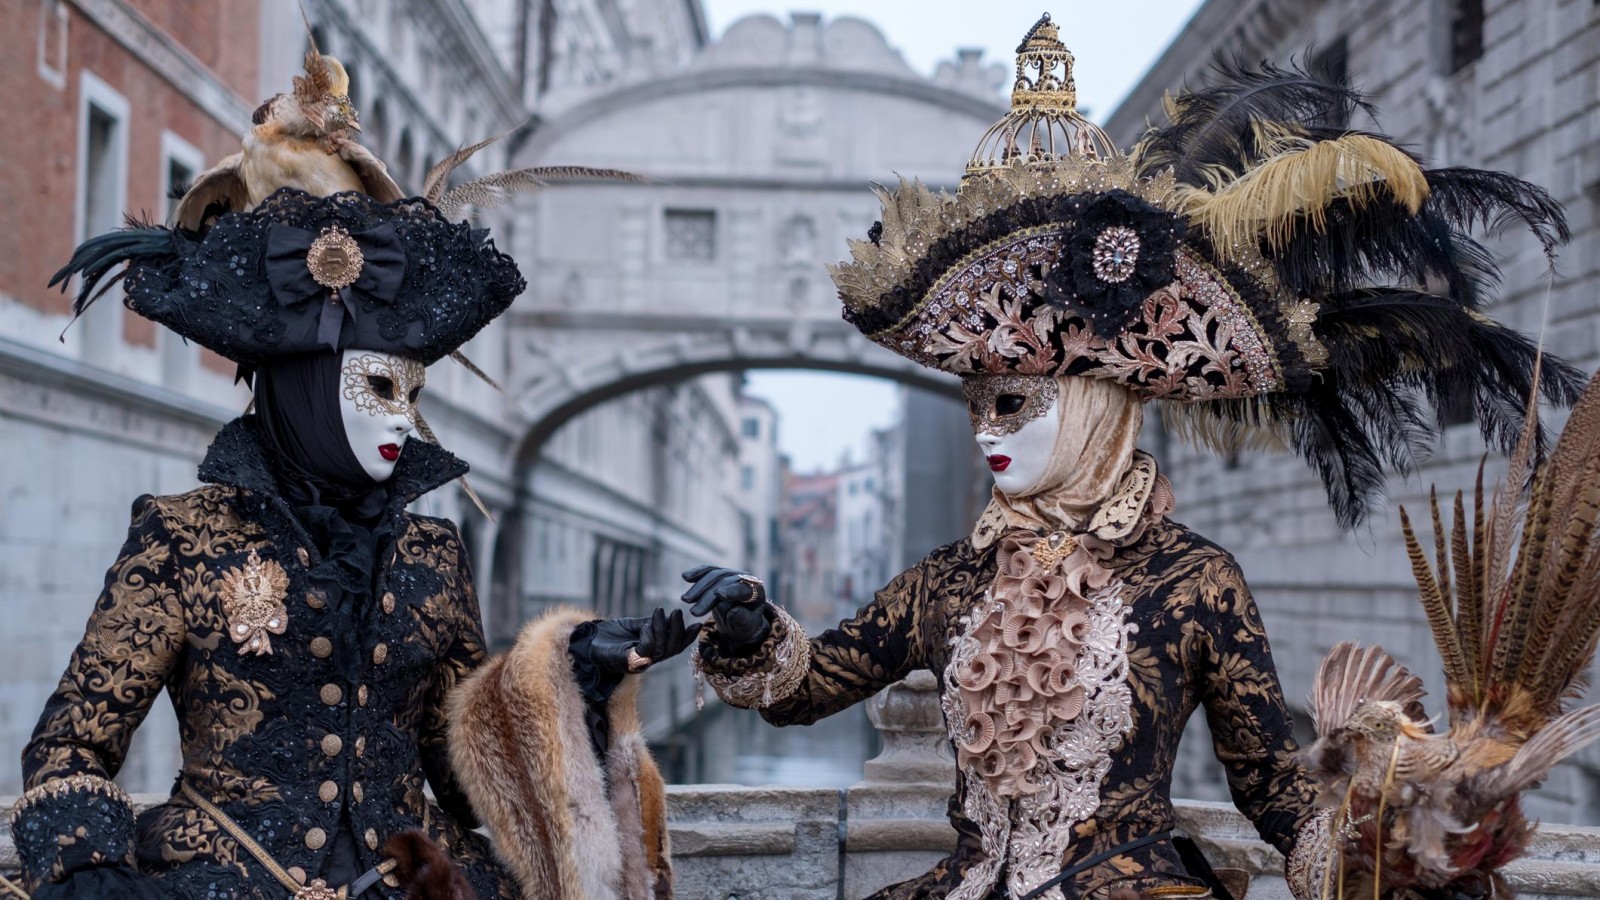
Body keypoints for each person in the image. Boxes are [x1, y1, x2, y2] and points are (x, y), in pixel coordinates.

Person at [683, 15, 1580, 900]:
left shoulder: (1194, 583)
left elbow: (1274, 790)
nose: (985, 433)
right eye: (975, 406)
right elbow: (809, 683)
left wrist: (1404, 846)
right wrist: (750, 628)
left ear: (1093, 409)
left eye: (1014, 404)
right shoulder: (950, 583)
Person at [9, 68, 691, 900]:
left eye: (413, 394)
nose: (402, 420)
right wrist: (92, 877)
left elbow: (466, 756)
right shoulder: (183, 540)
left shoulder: (432, 554)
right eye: (379, 389)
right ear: (302, 390)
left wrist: (577, 669)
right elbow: (72, 746)